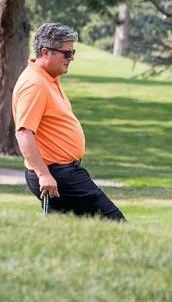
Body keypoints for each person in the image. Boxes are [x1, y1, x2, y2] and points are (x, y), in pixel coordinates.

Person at [13, 22, 125, 221]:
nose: (71, 58)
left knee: (70, 233)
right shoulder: (35, 84)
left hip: (65, 172)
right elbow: (24, 133)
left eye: (72, 52)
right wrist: (44, 174)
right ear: (45, 52)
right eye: (66, 53)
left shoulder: (49, 79)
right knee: (114, 223)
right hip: (57, 174)